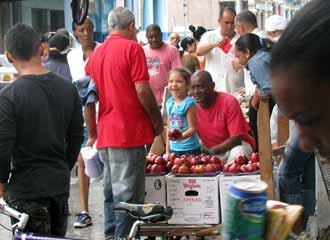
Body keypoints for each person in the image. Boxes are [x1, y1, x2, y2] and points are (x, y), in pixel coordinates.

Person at [84, 7, 163, 238]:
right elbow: (142, 89)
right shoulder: (132, 48)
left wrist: (92, 132)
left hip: (106, 136)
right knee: (128, 198)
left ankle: (111, 236)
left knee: (111, 194)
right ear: (130, 27)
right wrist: (156, 120)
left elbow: (87, 97)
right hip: (128, 133)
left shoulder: (96, 54)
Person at [0, 24, 84, 236]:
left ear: (9, 57)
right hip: (58, 187)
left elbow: (3, 145)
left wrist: (1, 183)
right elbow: (76, 137)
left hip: (26, 191)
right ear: (41, 49)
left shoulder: (8, 97)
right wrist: (62, 167)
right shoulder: (68, 89)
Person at [67, 17, 99, 229]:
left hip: (104, 112)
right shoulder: (72, 57)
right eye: (81, 30)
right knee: (81, 160)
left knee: (108, 161)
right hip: (82, 115)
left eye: (88, 29)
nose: (86, 33)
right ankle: (85, 210)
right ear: (75, 33)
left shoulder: (103, 50)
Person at [191, 70, 255, 163]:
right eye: (193, 88)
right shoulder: (191, 106)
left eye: (200, 87)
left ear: (212, 86)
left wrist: (211, 152)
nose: (196, 92)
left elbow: (236, 139)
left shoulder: (229, 101)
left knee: (238, 153)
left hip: (235, 146)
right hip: (210, 151)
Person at [234, 33, 275, 146]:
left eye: (238, 56)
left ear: (247, 52)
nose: (237, 59)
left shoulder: (256, 62)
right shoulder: (261, 56)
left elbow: (268, 90)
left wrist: (256, 99)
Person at [196, 7, 244, 94]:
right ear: (219, 21)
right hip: (215, 87)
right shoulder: (209, 36)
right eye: (226, 23)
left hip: (236, 88)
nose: (230, 26)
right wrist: (214, 45)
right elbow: (198, 52)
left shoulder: (241, 37)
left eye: (232, 23)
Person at [143, 24, 182, 107]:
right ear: (146, 37)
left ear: (161, 35)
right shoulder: (142, 51)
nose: (154, 39)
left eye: (156, 36)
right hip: (149, 99)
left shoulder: (172, 51)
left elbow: (178, 74)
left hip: (168, 99)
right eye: (151, 37)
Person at [166, 68, 201, 155]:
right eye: (171, 81)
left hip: (190, 149)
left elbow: (193, 128)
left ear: (187, 85)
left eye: (178, 81)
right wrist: (167, 150)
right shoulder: (169, 103)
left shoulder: (189, 103)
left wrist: (181, 137)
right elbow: (169, 128)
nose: (173, 84)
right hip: (174, 149)